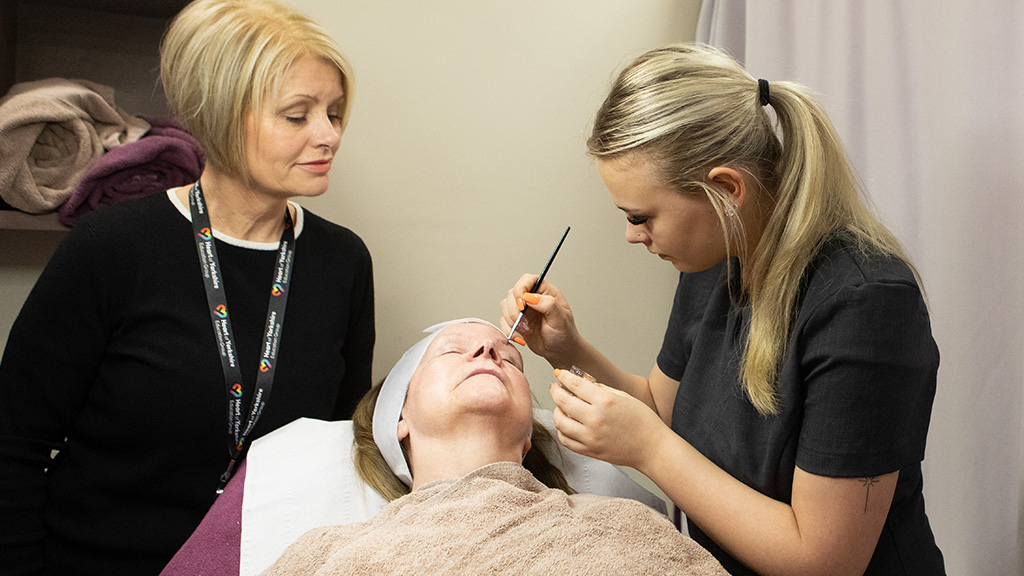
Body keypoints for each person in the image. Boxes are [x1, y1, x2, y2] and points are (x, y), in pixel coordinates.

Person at [500, 43, 944, 576]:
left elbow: (825, 560)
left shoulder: (865, 304)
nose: (630, 236)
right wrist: (569, 350)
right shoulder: (718, 258)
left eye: (641, 217)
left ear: (726, 190)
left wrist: (649, 451)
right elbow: (667, 409)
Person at [0, 1, 374, 574]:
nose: (328, 135)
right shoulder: (113, 247)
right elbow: (13, 443)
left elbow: (341, 448)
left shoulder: (342, 261)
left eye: (335, 112)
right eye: (297, 115)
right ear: (222, 116)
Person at [259, 319, 727, 575]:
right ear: (398, 417)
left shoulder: (625, 524)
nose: (488, 352)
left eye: (510, 358)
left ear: (528, 434)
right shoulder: (324, 553)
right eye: (451, 350)